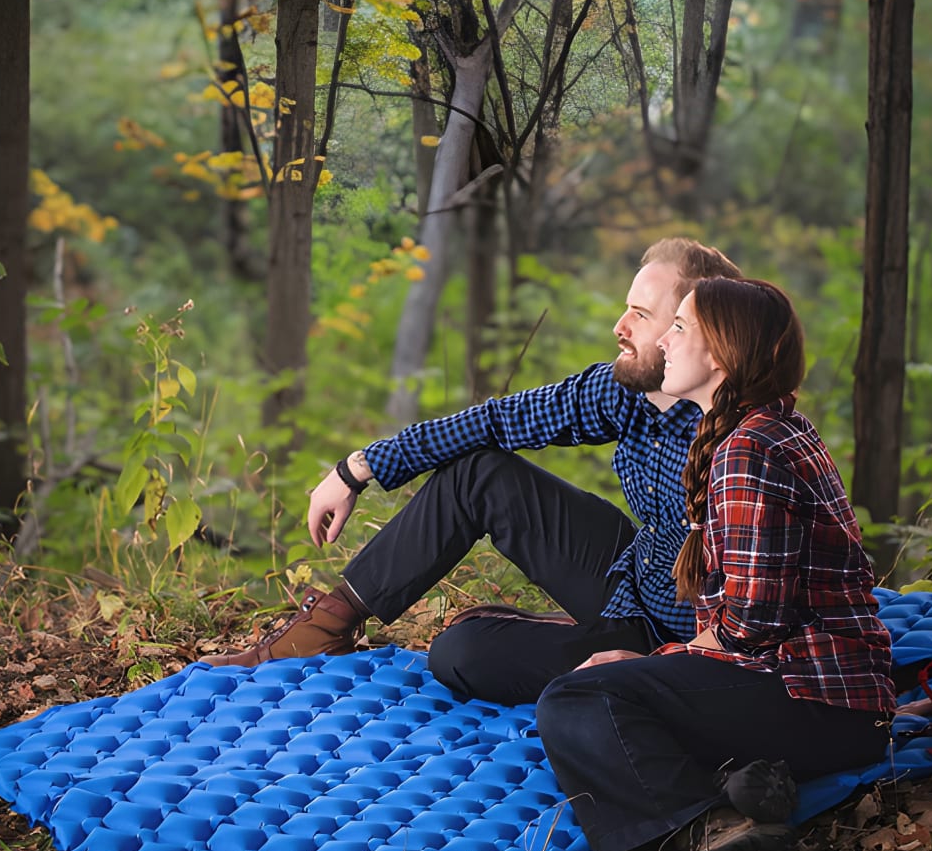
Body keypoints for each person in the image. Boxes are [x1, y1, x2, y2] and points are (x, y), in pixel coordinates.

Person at [201, 240, 742, 704]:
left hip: (689, 637)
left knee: (459, 653)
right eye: (628, 308)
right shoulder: (629, 391)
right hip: (637, 574)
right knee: (479, 472)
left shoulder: (744, 446)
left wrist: (659, 660)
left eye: (642, 316)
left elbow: (759, 615)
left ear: (695, 333)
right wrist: (356, 469)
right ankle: (325, 625)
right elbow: (496, 421)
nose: (620, 327)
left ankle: (588, 644)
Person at [534, 276, 895, 851]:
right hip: (822, 696)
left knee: (576, 699)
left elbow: (752, 628)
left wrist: (654, 661)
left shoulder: (748, 450)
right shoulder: (756, 430)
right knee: (610, 688)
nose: (664, 342)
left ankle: (713, 828)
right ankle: (747, 783)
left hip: (818, 699)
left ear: (721, 355)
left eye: (679, 328)